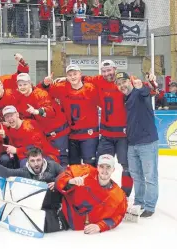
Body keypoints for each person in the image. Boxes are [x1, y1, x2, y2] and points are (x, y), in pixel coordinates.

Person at [83, 60, 133, 197]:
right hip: (106, 134)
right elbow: (82, 78)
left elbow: (145, 89)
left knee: (127, 166)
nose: (106, 74)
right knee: (102, 164)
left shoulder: (125, 80)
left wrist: (150, 84)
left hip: (123, 134)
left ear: (115, 69)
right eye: (104, 71)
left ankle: (125, 195)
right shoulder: (98, 80)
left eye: (109, 70)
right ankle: (100, 192)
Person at [115, 72, 159, 218]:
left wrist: (149, 84)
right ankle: (139, 202)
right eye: (119, 84)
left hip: (147, 142)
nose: (122, 86)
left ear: (130, 81)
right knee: (136, 175)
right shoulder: (125, 98)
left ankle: (150, 206)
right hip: (132, 144)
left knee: (149, 176)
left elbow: (150, 91)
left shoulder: (140, 92)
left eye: (124, 82)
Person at [53, 154, 128, 233]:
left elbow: (118, 216)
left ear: (113, 169)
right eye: (102, 167)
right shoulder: (85, 171)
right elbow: (63, 176)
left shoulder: (118, 195)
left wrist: (100, 226)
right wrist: (70, 181)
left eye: (108, 167)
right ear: (98, 167)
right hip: (60, 201)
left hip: (67, 221)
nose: (104, 170)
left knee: (41, 223)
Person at [0, 147, 64, 210]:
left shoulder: (53, 165)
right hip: (37, 206)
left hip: (56, 202)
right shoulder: (24, 171)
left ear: (43, 159)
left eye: (38, 160)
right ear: (28, 161)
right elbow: (7, 173)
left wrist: (57, 183)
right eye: (32, 161)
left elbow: (66, 175)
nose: (36, 163)